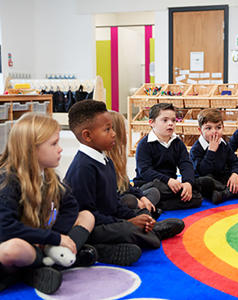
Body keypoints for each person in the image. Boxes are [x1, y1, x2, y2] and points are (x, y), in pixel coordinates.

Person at [0, 113, 96, 295]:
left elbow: (70, 206)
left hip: (38, 239)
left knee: (87, 216)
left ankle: (53, 258)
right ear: (31, 149)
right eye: (54, 144)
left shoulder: (48, 176)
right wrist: (54, 239)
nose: (60, 149)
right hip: (1, 245)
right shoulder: (5, 182)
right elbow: (6, 230)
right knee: (15, 249)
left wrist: (52, 236)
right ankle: (43, 267)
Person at [64, 100, 185, 266]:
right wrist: (127, 223)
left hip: (109, 219)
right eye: (107, 129)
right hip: (92, 228)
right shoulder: (82, 168)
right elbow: (88, 216)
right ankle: (98, 250)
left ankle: (146, 230)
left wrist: (134, 216)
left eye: (112, 128)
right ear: (87, 136)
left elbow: (114, 204)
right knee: (130, 230)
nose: (114, 133)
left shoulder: (106, 161)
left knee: (140, 223)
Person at [133, 103, 203, 210]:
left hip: (170, 186)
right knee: (156, 189)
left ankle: (159, 205)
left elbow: (185, 164)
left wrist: (187, 183)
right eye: (165, 120)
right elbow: (145, 171)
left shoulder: (177, 143)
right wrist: (168, 180)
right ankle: (152, 200)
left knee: (196, 196)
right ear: (152, 123)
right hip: (150, 184)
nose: (170, 124)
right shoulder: (144, 144)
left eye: (173, 120)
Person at [190, 108, 238, 204]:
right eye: (208, 128)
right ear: (200, 130)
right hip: (208, 178)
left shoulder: (224, 144)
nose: (214, 132)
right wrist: (211, 151)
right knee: (204, 181)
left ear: (223, 127)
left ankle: (223, 194)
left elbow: (235, 162)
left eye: (218, 128)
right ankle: (236, 191)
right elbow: (202, 171)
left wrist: (235, 174)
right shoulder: (196, 149)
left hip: (222, 177)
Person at [105, 111, 162, 219]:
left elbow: (126, 186)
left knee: (153, 191)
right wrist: (136, 200)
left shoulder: (118, 158)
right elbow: (111, 197)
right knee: (130, 199)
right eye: (124, 131)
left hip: (127, 195)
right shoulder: (105, 161)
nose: (126, 134)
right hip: (117, 205)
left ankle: (144, 213)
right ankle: (144, 216)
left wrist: (141, 198)